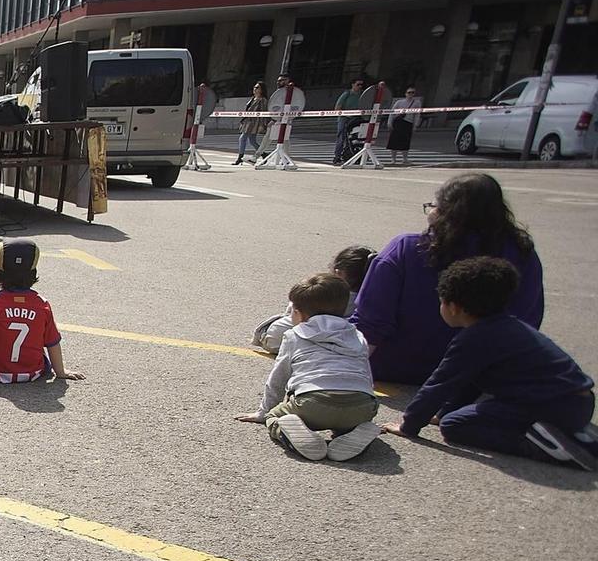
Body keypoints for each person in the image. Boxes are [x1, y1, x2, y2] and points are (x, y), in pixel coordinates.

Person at [384, 257, 597, 471]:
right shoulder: (509, 326)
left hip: (550, 407)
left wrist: (409, 425)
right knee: (454, 416)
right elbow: (470, 381)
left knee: (454, 425)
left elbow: (440, 384)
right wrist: (442, 412)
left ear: (454, 308)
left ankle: (546, 446)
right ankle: (573, 432)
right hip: (580, 402)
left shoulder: (474, 339)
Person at [353, 173, 545, 384]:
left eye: (434, 206)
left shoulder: (406, 249)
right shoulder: (522, 255)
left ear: (444, 212)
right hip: (479, 375)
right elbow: (526, 320)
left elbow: (370, 323)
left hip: (397, 367)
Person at [236, 272, 380, 461]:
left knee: (274, 416)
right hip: (361, 406)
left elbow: (278, 378)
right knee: (347, 418)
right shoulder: (357, 336)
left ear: (297, 313)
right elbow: (366, 374)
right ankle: (355, 430)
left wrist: (263, 412)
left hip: (313, 403)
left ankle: (292, 434)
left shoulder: (294, 335)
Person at [0, 239, 84, 384]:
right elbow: (53, 342)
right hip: (33, 373)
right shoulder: (42, 304)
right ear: (33, 271)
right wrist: (61, 372)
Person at [252, 245, 374, 355]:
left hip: (297, 340)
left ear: (338, 273)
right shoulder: (372, 301)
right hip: (346, 345)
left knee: (278, 328)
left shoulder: (323, 292)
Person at [332, 77, 367, 165]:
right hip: (344, 118)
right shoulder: (347, 94)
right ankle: (337, 157)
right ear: (353, 84)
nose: (360, 86)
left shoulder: (362, 95)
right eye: (358, 84)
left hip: (356, 118)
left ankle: (352, 155)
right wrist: (346, 114)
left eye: (361, 85)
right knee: (341, 137)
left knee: (356, 137)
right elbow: (337, 108)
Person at [386, 85, 422, 165]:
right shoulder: (399, 102)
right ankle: (393, 159)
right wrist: (389, 123)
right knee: (394, 141)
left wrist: (415, 125)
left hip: (408, 123)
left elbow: (417, 114)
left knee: (405, 142)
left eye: (413, 93)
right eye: (409, 92)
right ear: (405, 93)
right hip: (398, 122)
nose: (411, 94)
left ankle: (405, 159)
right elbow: (392, 113)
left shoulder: (417, 103)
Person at [234, 82, 269, 164]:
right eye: (254, 87)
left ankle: (240, 157)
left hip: (254, 123)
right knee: (252, 141)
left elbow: (264, 113)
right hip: (248, 122)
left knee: (243, 138)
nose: (255, 89)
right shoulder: (253, 98)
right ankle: (263, 154)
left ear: (262, 90)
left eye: (257, 87)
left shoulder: (262, 100)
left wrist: (262, 125)